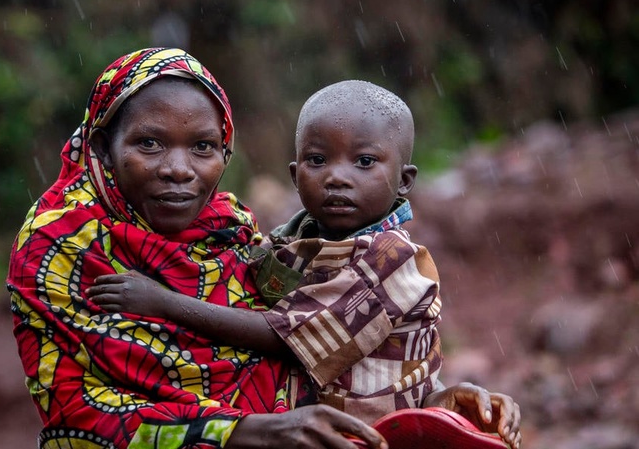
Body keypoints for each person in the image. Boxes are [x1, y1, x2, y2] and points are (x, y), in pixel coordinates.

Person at [87, 80, 522, 448]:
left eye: (364, 162)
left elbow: (281, 337)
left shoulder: (393, 261)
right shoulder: (290, 241)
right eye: (318, 161)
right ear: (295, 177)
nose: (336, 176)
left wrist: (161, 302)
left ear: (404, 181)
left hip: (381, 435)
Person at [7, 48, 392, 449]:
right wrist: (250, 431)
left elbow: (305, 345)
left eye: (202, 147)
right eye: (150, 143)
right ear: (103, 147)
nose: (179, 168)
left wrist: (419, 394)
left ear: (224, 152)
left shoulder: (231, 231)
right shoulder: (58, 246)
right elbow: (78, 415)